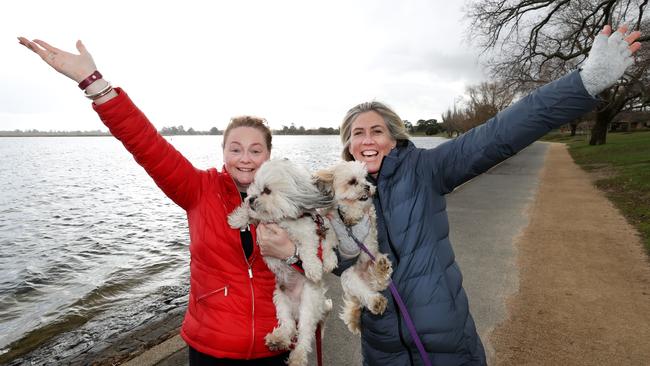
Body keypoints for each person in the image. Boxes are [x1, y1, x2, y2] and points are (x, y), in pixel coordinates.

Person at [331, 25, 642, 366]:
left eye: (377, 131)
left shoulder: (427, 168)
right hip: (382, 350)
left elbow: (499, 132)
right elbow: (330, 257)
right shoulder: (336, 196)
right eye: (357, 134)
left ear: (394, 137)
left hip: (446, 344)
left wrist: (583, 83)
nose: (368, 141)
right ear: (348, 145)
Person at [17, 37, 300, 365]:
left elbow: (319, 259)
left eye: (255, 150)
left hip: (276, 344)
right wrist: (94, 83)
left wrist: (290, 253)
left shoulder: (292, 198)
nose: (245, 159)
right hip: (212, 347)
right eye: (235, 149)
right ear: (223, 152)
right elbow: (147, 144)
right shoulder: (198, 188)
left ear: (268, 154)